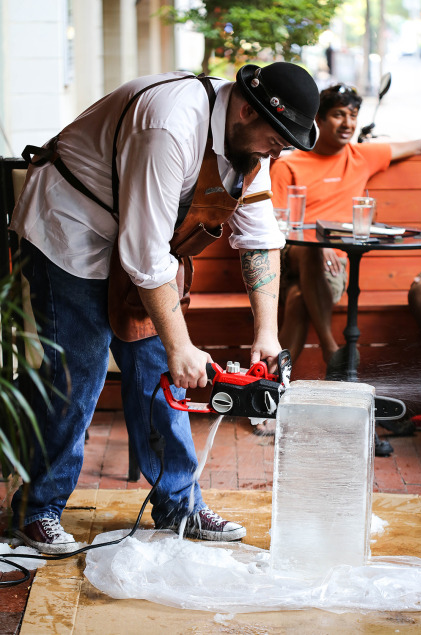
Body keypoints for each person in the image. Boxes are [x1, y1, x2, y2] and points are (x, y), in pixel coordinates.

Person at [8, 63, 320, 553]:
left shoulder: (250, 147)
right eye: (277, 138)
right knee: (79, 372)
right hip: (68, 228)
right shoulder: (169, 124)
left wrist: (267, 334)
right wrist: (182, 345)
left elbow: (259, 239)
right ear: (244, 109)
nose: (277, 151)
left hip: (136, 241)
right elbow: (147, 256)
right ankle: (38, 508)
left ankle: (180, 506)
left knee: (159, 375)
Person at [264, 83, 421, 453]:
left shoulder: (363, 156)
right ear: (319, 119)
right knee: (311, 253)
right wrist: (319, 242)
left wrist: (329, 246)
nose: (347, 122)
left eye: (353, 115)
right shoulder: (290, 163)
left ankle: (270, 402)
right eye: (338, 114)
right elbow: (277, 224)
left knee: (301, 297)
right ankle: (334, 350)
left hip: (332, 268)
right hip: (288, 258)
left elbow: (416, 145)